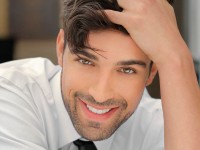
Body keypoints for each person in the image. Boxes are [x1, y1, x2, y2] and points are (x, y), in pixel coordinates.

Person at [0, 0, 199, 149]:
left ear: (151, 72)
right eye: (86, 61)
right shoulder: (9, 93)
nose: (100, 95)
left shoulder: (161, 125)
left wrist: (176, 58)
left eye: (127, 70)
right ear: (61, 48)